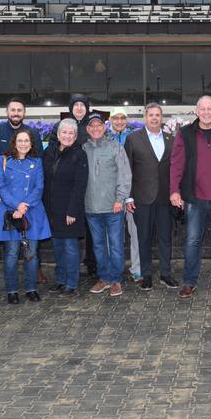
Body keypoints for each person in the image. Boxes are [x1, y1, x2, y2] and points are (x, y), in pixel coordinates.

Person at [169, 95, 211, 299]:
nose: (206, 112)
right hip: (194, 198)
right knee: (192, 241)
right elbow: (177, 163)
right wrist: (174, 190)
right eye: (203, 109)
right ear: (196, 111)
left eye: (210, 109)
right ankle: (189, 282)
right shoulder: (185, 133)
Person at [0, 129, 51, 304]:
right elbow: (0, 186)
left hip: (32, 212)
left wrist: (24, 207)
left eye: (27, 141)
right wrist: (16, 205)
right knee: (11, 253)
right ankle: (12, 290)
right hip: (10, 212)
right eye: (20, 140)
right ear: (14, 142)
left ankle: (31, 289)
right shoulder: (2, 161)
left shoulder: (37, 162)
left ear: (31, 144)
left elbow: (39, 188)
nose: (23, 144)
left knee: (31, 254)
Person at [124, 103, 178, 291]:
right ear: (145, 118)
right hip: (142, 198)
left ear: (161, 118)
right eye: (151, 115)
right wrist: (128, 197)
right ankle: (146, 275)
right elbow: (127, 170)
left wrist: (176, 192)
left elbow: (176, 168)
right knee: (143, 238)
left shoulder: (172, 139)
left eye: (158, 115)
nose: (154, 118)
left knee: (165, 238)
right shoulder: (133, 139)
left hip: (165, 198)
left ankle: (165, 274)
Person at [82, 113, 132, 297]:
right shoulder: (83, 149)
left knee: (116, 245)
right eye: (92, 126)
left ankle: (116, 280)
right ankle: (104, 278)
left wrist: (120, 199)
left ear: (104, 127)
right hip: (91, 208)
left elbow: (125, 175)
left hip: (113, 207)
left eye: (99, 125)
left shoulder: (115, 147)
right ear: (88, 129)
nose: (95, 129)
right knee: (98, 246)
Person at [42, 119, 88, 296]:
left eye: (71, 133)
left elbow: (80, 186)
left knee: (70, 248)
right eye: (64, 132)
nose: (67, 136)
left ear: (75, 136)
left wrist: (73, 211)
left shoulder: (79, 154)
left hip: (69, 210)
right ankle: (60, 280)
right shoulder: (49, 152)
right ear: (58, 134)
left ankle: (71, 282)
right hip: (52, 209)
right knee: (58, 246)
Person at [64, 93, 99, 280]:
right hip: (69, 187)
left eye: (82, 105)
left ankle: (92, 263)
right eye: (75, 105)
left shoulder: (92, 128)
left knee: (91, 229)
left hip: (91, 186)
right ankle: (72, 266)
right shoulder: (63, 128)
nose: (79, 108)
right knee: (71, 228)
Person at [0, 97, 42, 200]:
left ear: (24, 112)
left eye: (19, 110)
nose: (16, 113)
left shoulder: (33, 134)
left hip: (26, 195)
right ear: (6, 111)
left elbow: (38, 165)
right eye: (13, 110)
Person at [108, 107, 142, 284]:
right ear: (110, 120)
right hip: (110, 195)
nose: (119, 121)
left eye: (123, 118)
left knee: (135, 232)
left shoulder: (133, 138)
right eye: (116, 118)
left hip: (130, 194)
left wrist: (130, 194)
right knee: (113, 236)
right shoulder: (104, 138)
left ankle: (137, 268)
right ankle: (114, 271)